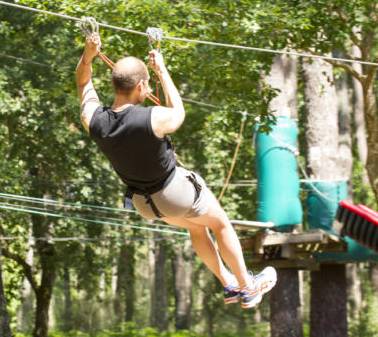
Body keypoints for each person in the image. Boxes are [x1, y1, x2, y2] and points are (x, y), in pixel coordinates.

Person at [75, 32, 276, 308]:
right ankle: (248, 287)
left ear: (114, 84)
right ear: (142, 85)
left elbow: (84, 83)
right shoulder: (151, 118)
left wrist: (88, 56)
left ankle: (229, 285)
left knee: (197, 228)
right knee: (221, 224)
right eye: (146, 85)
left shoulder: (94, 121)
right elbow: (178, 112)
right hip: (174, 193)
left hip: (145, 205)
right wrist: (162, 69)